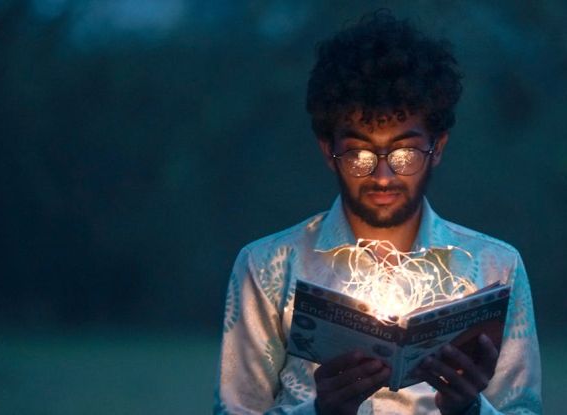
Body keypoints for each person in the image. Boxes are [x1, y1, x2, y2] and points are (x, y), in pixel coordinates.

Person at [214, 11, 541, 415]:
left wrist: (468, 407)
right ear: (328, 152)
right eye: (359, 154)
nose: (383, 176)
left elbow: (521, 409)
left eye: (404, 153)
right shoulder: (268, 266)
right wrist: (321, 412)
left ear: (437, 147)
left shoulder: (495, 268)